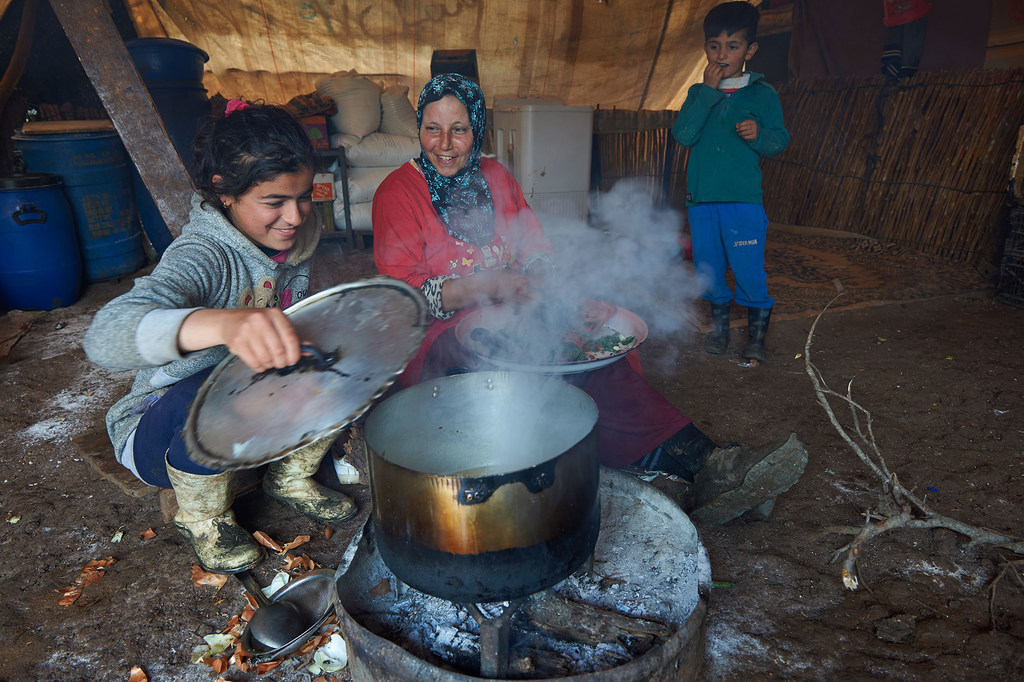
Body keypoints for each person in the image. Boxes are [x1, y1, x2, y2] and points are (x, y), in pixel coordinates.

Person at [372, 72, 807, 525]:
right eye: (432, 128)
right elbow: (407, 300)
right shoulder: (397, 193)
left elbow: (535, 247)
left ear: (477, 128)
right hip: (442, 340)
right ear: (418, 127)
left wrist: (542, 276)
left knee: (586, 352)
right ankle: (702, 467)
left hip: (513, 313)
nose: (444, 143)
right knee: (527, 383)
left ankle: (709, 464)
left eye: (458, 129)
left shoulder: (496, 176)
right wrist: (488, 285)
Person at [83, 102, 358, 575]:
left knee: (340, 357)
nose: (294, 216)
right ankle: (203, 517)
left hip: (253, 408)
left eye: (304, 195)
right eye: (274, 202)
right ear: (224, 193)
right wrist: (222, 324)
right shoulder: (203, 255)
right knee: (216, 386)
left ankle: (289, 478)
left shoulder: (295, 235)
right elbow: (103, 337)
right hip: (160, 432)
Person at [672, 1, 790, 362]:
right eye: (714, 45)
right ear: (705, 48)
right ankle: (720, 330)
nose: (722, 54)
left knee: (748, 269)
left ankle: (756, 339)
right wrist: (707, 92)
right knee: (708, 269)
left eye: (733, 46)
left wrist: (758, 135)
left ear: (749, 50)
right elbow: (683, 135)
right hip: (702, 201)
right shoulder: (697, 93)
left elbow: (779, 141)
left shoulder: (762, 94)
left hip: (742, 201)